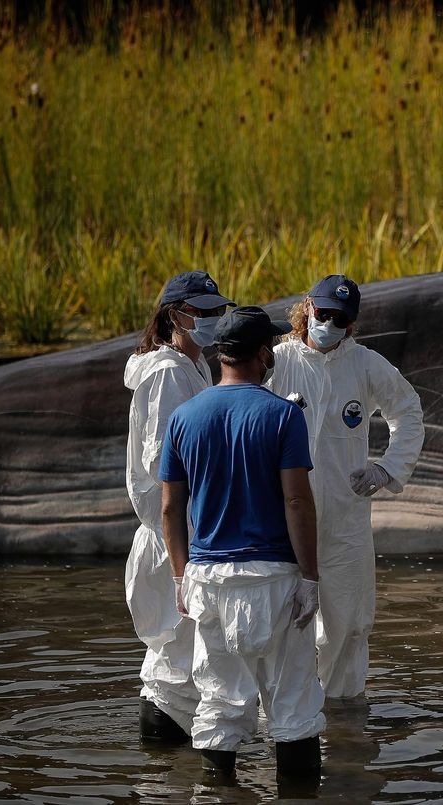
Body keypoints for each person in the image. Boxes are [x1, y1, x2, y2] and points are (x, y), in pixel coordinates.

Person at [159, 306, 326, 776]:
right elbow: (297, 502)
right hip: (273, 576)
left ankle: (217, 790)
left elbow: (170, 509)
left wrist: (179, 576)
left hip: (208, 578)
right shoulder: (283, 416)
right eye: (269, 346)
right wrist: (310, 578)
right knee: (293, 707)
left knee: (219, 703)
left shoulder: (184, 418)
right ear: (261, 354)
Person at [267, 274, 424, 699]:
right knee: (283, 622)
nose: (330, 324)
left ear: (352, 324)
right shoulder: (277, 362)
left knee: (350, 624)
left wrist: (387, 469)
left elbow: (408, 411)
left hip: (346, 520)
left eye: (341, 319)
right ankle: (282, 724)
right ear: (307, 308)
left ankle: (343, 726)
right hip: (283, 519)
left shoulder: (366, 364)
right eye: (324, 313)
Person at [123, 270, 232, 742]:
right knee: (175, 650)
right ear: (175, 315)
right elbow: (162, 459)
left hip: (189, 524)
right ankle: (162, 757)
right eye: (201, 313)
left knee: (184, 648)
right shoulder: (168, 372)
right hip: (172, 531)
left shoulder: (197, 366)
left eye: (217, 312)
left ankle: (168, 767)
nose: (211, 321)